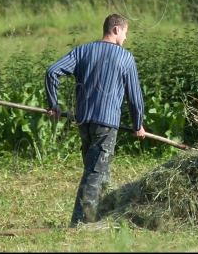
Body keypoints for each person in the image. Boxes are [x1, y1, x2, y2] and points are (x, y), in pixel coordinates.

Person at [46, 14, 146, 226]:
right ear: (116, 29)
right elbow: (135, 99)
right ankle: (79, 223)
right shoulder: (125, 58)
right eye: (126, 33)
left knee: (100, 169)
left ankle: (104, 215)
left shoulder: (82, 51)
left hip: (84, 122)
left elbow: (52, 71)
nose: (126, 38)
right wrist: (138, 125)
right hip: (106, 123)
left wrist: (53, 104)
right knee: (94, 173)